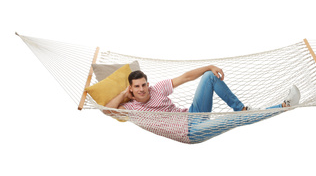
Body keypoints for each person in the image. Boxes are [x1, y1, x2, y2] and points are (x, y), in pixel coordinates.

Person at [105, 65, 300, 143]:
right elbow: (107, 111)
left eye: (144, 85)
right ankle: (285, 105)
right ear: (131, 88)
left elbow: (186, 77)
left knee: (209, 77)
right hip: (191, 133)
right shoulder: (131, 109)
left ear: (148, 83)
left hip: (193, 114)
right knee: (235, 121)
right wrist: (123, 93)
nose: (142, 89)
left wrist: (209, 66)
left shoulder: (157, 89)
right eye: (136, 87)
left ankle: (241, 107)